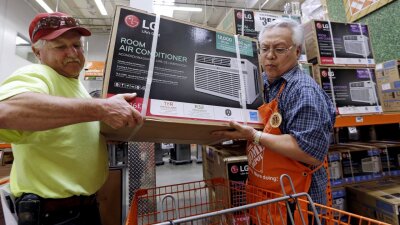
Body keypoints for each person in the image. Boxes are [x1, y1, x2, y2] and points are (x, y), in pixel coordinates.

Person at [0, 12, 143, 225]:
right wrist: (102, 108)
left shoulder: (74, 85)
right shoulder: (37, 74)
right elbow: (6, 112)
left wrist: (105, 133)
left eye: (77, 45)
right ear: (37, 52)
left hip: (82, 207)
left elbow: (69, 131)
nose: (72, 53)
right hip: (53, 214)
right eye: (60, 47)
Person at [212, 18, 335, 208]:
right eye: (264, 48)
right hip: (267, 193)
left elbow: (310, 152)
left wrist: (254, 136)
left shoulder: (302, 90)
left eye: (279, 49)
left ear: (297, 51)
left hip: (298, 200)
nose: (269, 56)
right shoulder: (262, 82)